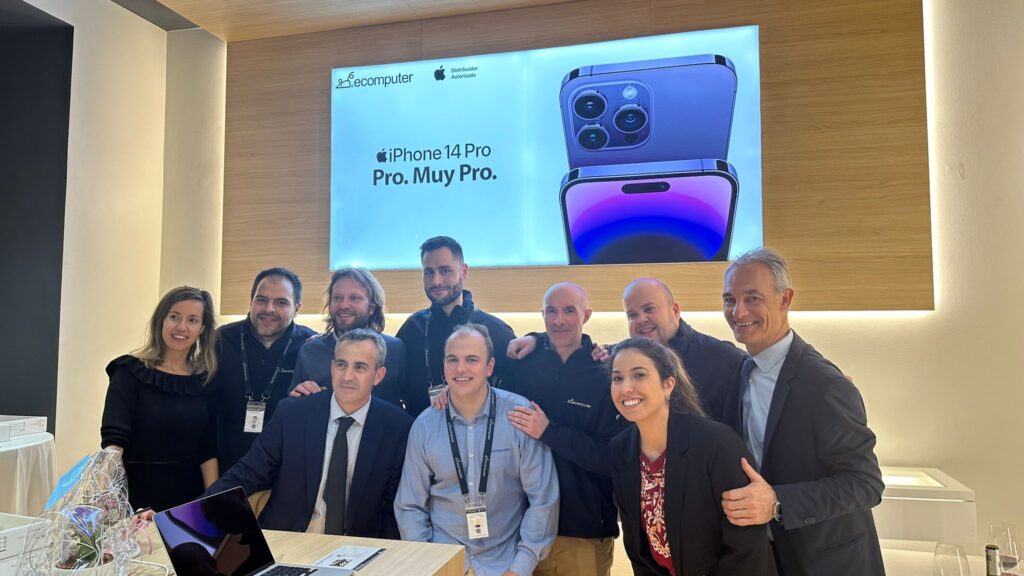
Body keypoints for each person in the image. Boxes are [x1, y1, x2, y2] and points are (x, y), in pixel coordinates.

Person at [719, 248, 885, 576]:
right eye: (729, 299)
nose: (738, 311)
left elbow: (865, 483)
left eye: (753, 298)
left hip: (826, 563)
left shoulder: (825, 383)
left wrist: (777, 503)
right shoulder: (740, 370)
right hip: (764, 558)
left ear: (785, 299)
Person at [206, 329, 413, 538]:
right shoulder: (293, 414)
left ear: (378, 375)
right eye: (341, 365)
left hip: (356, 547)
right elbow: (248, 472)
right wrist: (198, 517)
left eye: (360, 367)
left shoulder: (397, 427)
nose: (347, 376)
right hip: (287, 539)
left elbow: (393, 508)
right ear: (332, 367)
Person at [396, 324, 558, 576]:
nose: (460, 369)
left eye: (471, 359)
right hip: (443, 561)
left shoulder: (519, 415)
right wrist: (428, 563)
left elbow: (543, 499)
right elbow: (410, 506)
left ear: (489, 366)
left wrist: (521, 567)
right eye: (452, 360)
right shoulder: (425, 425)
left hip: (506, 562)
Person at [606, 337, 776, 576]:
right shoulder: (620, 450)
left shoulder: (715, 442)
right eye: (617, 378)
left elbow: (747, 546)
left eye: (639, 375)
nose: (625, 388)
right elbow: (637, 546)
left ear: (668, 385)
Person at [503, 283, 626, 576]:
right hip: (523, 531)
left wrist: (549, 432)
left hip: (583, 531)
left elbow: (610, 457)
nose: (559, 320)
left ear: (587, 314)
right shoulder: (522, 365)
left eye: (569, 311)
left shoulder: (605, 372)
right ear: (542, 315)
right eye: (551, 311)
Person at [508, 277, 742, 418]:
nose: (641, 320)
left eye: (649, 309)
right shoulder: (614, 357)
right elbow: (568, 338)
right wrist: (537, 339)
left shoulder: (723, 359)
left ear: (675, 310)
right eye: (632, 315)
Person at [101, 286, 219, 512]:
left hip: (189, 499)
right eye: (174, 317)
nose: (182, 327)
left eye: (192, 320)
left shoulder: (206, 380)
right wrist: (106, 493)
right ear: (161, 320)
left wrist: (214, 502)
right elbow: (114, 442)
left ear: (202, 328)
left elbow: (208, 450)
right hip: (136, 497)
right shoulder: (128, 372)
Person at [212, 267, 317, 472]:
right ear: (251, 301)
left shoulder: (311, 346)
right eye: (261, 300)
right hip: (226, 466)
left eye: (281, 302)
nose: (269, 309)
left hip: (285, 469)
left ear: (297, 308)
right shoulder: (221, 340)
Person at [396, 236, 515, 415]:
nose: (436, 281)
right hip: (420, 430)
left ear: (464, 271)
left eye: (445, 270)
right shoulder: (412, 329)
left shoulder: (496, 331)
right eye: (429, 272)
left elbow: (513, 395)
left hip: (483, 431)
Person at [288, 267, 410, 412]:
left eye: (354, 298)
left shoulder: (395, 350)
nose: (344, 305)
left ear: (372, 307)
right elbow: (294, 404)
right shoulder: (310, 351)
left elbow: (411, 401)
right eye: (337, 298)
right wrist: (299, 395)